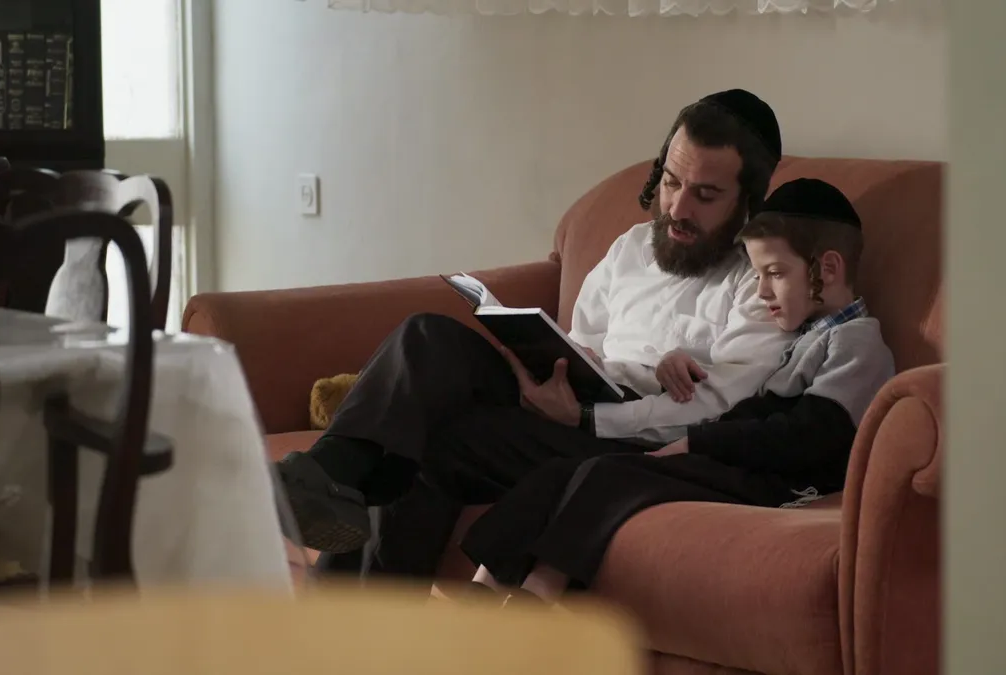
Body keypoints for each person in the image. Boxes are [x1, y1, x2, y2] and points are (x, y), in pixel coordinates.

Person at [276, 89, 793, 563]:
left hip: (635, 446)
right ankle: (324, 473)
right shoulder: (632, 248)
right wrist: (558, 377)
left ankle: (341, 581)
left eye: (705, 195)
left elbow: (718, 413)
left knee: (432, 440)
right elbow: (584, 344)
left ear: (748, 202)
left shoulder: (762, 281)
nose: (678, 208)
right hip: (574, 406)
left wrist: (587, 419)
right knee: (426, 337)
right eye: (672, 182)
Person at [459, 178, 896, 605]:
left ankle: (539, 597)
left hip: (786, 485)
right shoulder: (806, 337)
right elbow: (749, 412)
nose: (762, 291)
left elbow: (811, 435)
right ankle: (479, 591)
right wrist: (692, 419)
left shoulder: (857, 342)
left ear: (829, 268)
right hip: (745, 462)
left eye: (775, 274)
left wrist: (698, 442)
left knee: (609, 475)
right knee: (567, 469)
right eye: (759, 275)